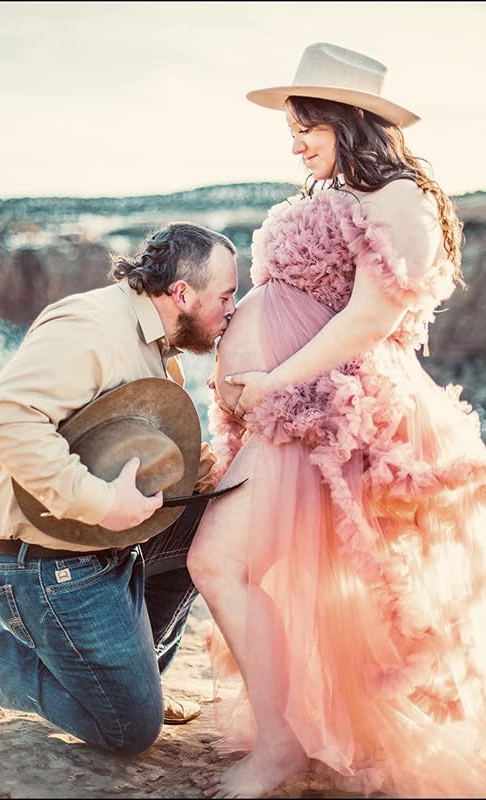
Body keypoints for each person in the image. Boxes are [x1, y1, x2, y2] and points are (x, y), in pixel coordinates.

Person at [187, 42, 486, 798]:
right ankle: (291, 735)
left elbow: (366, 319)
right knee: (259, 575)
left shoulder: (402, 198)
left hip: (326, 412)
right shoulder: (341, 190)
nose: (293, 141)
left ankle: (283, 749)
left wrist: (269, 383)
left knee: (222, 562)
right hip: (287, 413)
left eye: (305, 125)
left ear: (348, 119)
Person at [0, 221, 239, 753]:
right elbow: (2, 416)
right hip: (42, 560)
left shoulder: (152, 335)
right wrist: (101, 502)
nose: (232, 309)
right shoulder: (92, 328)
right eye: (226, 295)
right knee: (128, 728)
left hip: (103, 544)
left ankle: (130, 674)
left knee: (217, 520)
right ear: (182, 293)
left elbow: (140, 434)